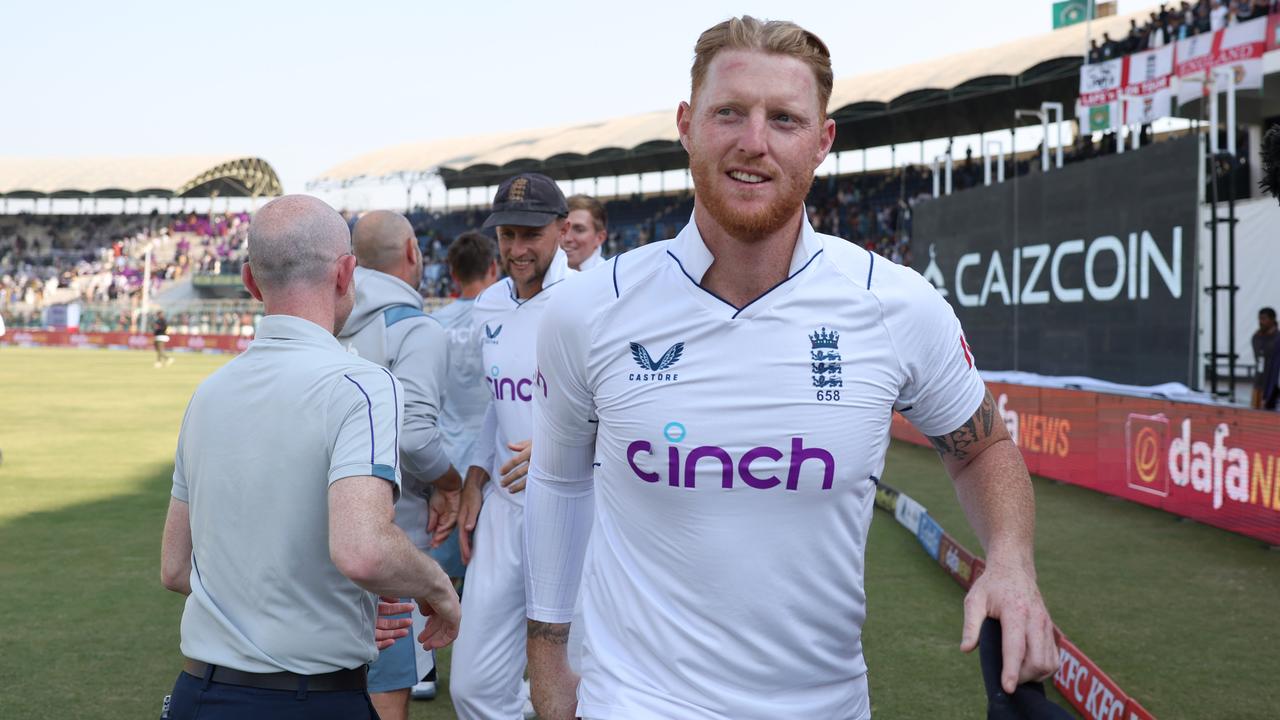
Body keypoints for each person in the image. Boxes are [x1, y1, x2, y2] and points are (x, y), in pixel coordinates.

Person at [523, 17, 1059, 720]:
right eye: (729, 114)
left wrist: (1012, 558)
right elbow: (559, 477)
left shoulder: (896, 305)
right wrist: (548, 649)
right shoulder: (589, 310)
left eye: (783, 119)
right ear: (687, 125)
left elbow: (983, 447)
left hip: (826, 705)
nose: (754, 142)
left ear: (822, 141)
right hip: (636, 701)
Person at [159, 195, 461, 720]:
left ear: (251, 282)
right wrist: (437, 586)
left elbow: (175, 567)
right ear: (347, 273)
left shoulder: (208, 393)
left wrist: (331, 610)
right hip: (309, 701)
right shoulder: (361, 384)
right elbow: (363, 550)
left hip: (199, 696)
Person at [450, 173, 575, 720]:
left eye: (531, 235)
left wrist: (559, 448)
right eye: (507, 236)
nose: (517, 250)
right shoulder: (490, 305)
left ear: (562, 230)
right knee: (474, 687)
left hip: (575, 510)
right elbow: (493, 406)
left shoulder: (591, 303)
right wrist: (475, 479)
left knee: (583, 683)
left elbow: (622, 413)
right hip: (503, 509)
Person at [337, 210, 465, 720]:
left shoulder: (318, 320)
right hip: (386, 540)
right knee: (385, 692)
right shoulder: (414, 329)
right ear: (413, 252)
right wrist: (449, 483)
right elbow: (414, 436)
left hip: (312, 535)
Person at [561, 195, 608, 271]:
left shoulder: (610, 280)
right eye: (562, 229)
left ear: (600, 238)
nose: (567, 238)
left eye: (579, 230)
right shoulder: (542, 278)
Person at [1252, 307, 1279, 410]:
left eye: (1264, 319)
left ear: (1272, 320)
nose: (1261, 322)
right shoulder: (1257, 337)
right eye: (1260, 319)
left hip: (1273, 383)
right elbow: (1258, 355)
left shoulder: (1277, 339)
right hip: (1259, 381)